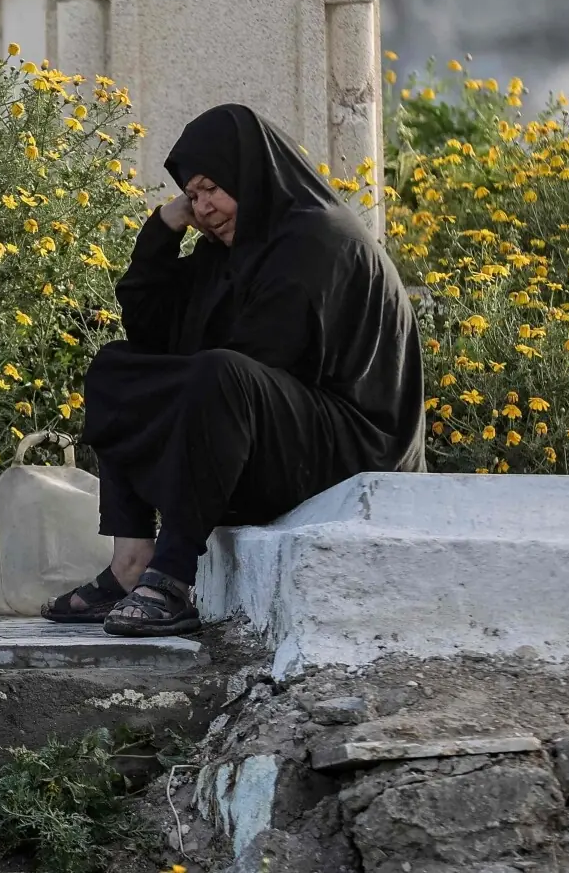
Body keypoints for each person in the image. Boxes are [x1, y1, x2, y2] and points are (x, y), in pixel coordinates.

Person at [42, 104, 427, 637]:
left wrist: (181, 399)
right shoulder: (237, 249)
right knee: (117, 369)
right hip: (277, 429)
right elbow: (151, 331)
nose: (204, 209)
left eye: (211, 190)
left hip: (355, 449)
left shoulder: (317, 241)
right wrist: (164, 226)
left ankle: (173, 577)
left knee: (221, 375)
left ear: (250, 175)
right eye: (192, 196)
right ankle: (131, 562)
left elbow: (256, 363)